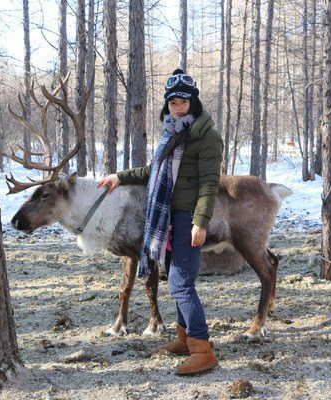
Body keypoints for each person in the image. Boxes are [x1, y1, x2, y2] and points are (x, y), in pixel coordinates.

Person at [97, 69, 223, 376]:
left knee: (181, 284)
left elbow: (209, 183)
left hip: (187, 219)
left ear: (193, 102)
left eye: (183, 101)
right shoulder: (173, 132)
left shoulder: (206, 137)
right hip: (167, 218)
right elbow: (154, 171)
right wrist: (120, 177)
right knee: (178, 281)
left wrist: (200, 222)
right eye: (172, 102)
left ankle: (202, 349)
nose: (177, 107)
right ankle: (184, 338)